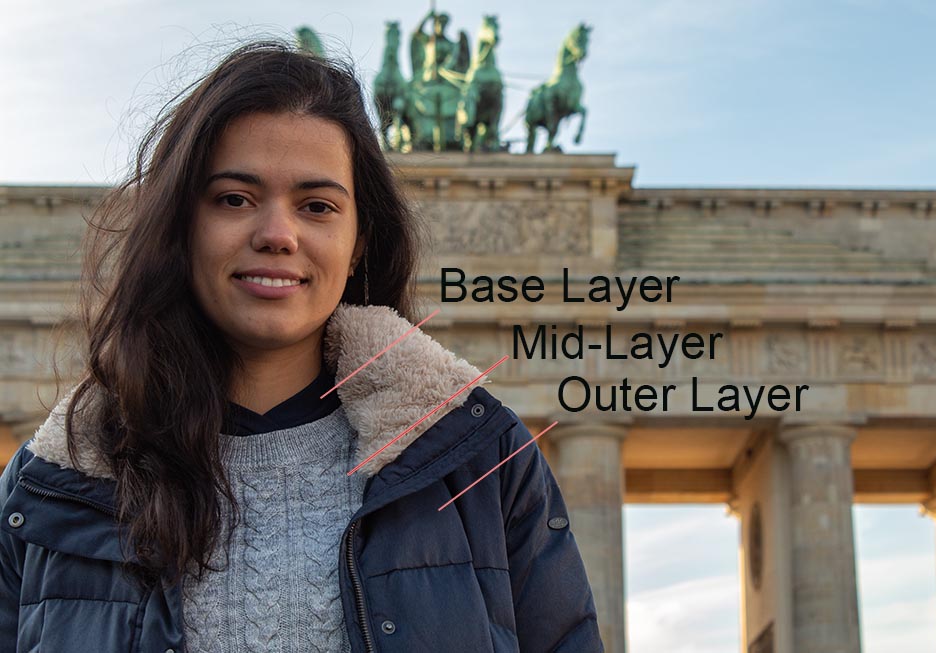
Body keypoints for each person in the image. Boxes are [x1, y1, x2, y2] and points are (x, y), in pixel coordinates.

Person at [0, 40, 603, 652]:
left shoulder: (482, 458)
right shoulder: (49, 486)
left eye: (317, 206)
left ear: (359, 239)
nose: (277, 235)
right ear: (181, 224)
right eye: (234, 199)